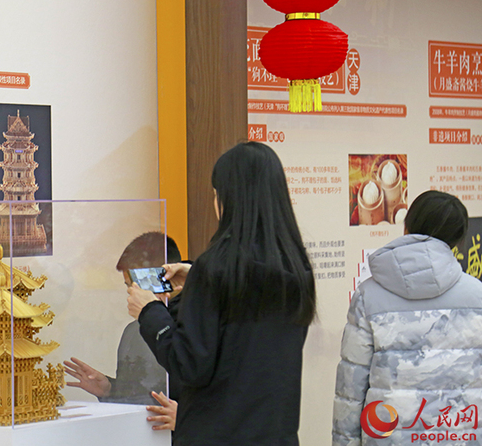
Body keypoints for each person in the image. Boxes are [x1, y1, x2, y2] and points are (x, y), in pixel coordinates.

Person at [127, 142, 316, 445]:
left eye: (216, 194)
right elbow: (249, 345)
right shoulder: (295, 267)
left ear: (228, 199)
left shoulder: (217, 267)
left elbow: (188, 364)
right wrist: (196, 278)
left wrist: (149, 311)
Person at [332, 190, 482, 445]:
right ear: (459, 239)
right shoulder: (477, 296)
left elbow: (350, 390)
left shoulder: (368, 296)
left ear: (407, 227)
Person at [64, 232, 183, 408]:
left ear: (168, 275)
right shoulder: (133, 331)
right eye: (129, 287)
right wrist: (110, 390)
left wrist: (183, 418)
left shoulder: (196, 324)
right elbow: (139, 393)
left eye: (139, 285)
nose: (133, 293)